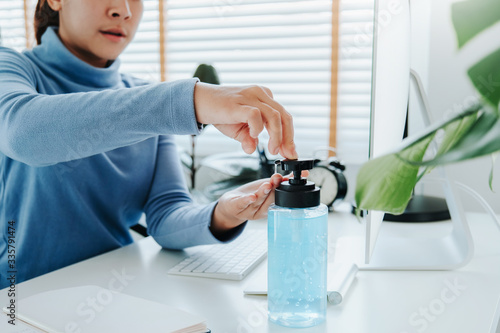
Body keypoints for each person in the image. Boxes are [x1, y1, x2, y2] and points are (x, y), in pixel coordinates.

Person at [0, 0, 298, 289]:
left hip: (117, 293)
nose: (123, 11)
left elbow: (166, 213)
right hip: (19, 301)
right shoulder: (13, 69)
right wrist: (190, 101)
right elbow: (23, 133)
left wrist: (225, 213)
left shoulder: (146, 98)